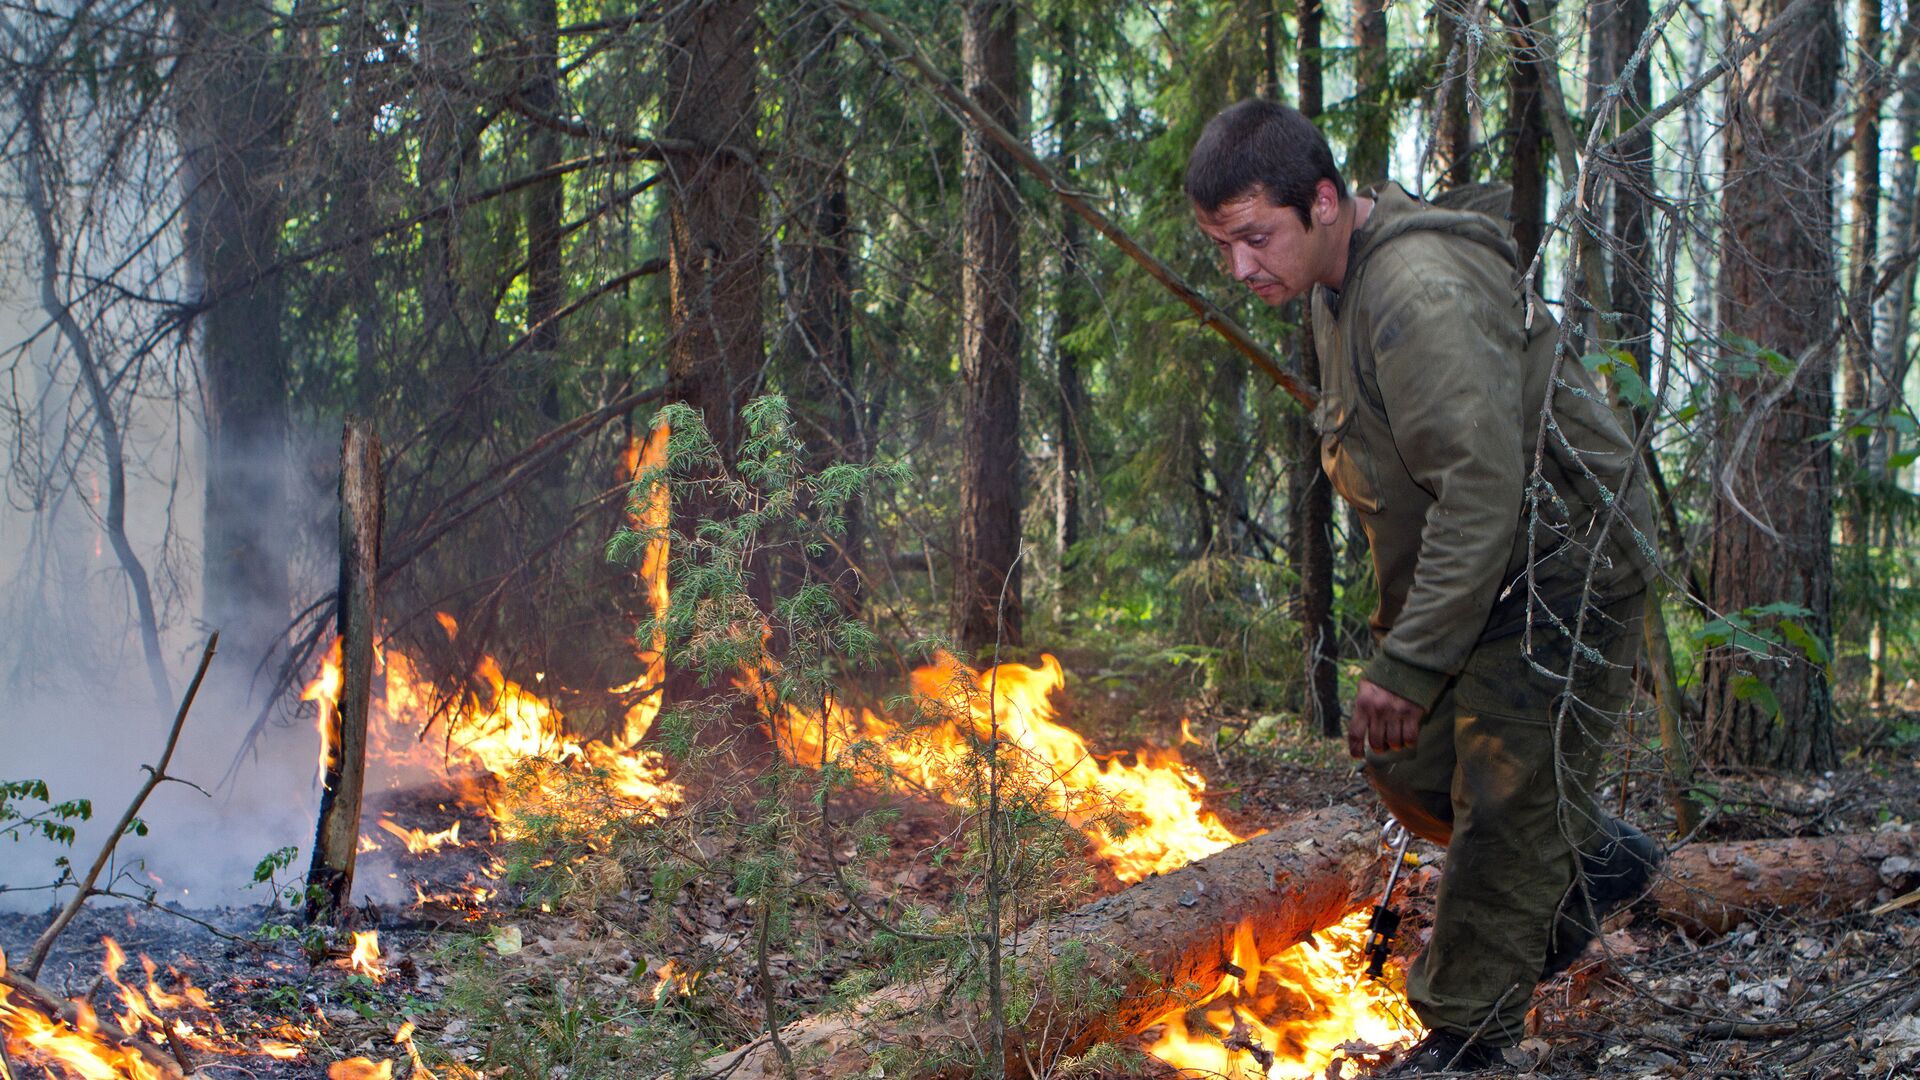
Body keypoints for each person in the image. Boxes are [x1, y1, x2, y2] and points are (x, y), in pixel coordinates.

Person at [1185, 99, 1662, 1075]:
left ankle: (1466, 1040)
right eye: (1223, 246)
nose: (1241, 268)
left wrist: (1409, 662)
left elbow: (1479, 488)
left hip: (1562, 572)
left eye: (1255, 236)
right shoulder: (1331, 286)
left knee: (1502, 796)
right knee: (1401, 759)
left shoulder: (1414, 289)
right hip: (1484, 578)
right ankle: (1593, 855)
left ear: (1322, 201)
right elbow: (1402, 487)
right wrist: (1402, 656)